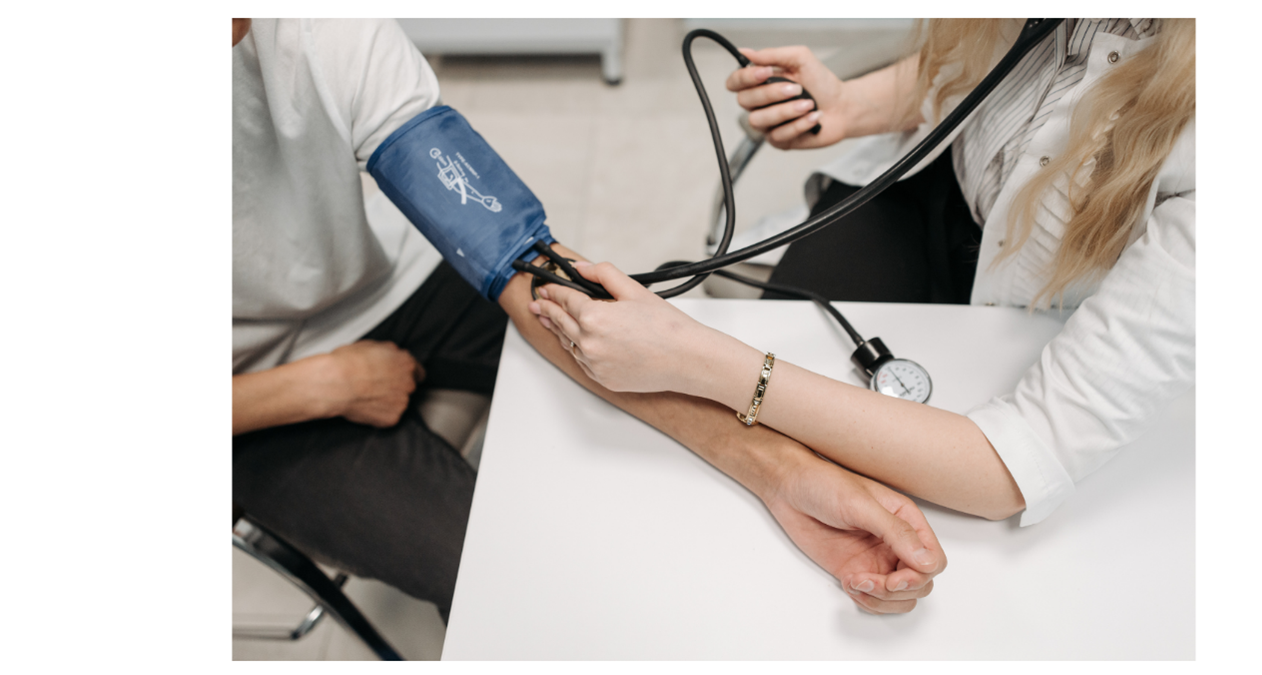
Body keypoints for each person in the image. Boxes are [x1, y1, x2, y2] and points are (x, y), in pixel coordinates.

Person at [232, 18, 947, 620]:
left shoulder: (317, 27)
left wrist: (781, 471)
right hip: (254, 397)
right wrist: (324, 386)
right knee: (510, 587)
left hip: (399, 277)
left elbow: (519, 261)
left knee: (636, 374)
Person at [530, 19, 1195, 527]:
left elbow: (1014, 465)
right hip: (928, 197)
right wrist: (853, 106)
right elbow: (1005, 62)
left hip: (1036, 317)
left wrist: (691, 355)